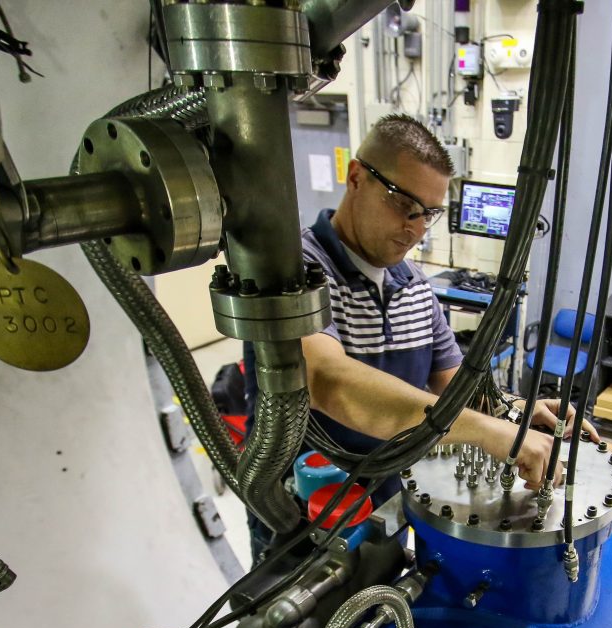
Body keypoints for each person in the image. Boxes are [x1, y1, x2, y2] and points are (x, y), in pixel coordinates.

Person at [244, 114, 574, 560]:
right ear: (356, 176)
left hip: (387, 502)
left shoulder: (415, 285)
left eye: (430, 214)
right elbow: (327, 381)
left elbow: (459, 392)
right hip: (304, 513)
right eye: (404, 204)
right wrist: (488, 433)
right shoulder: (295, 274)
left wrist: (518, 412)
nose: (417, 229)